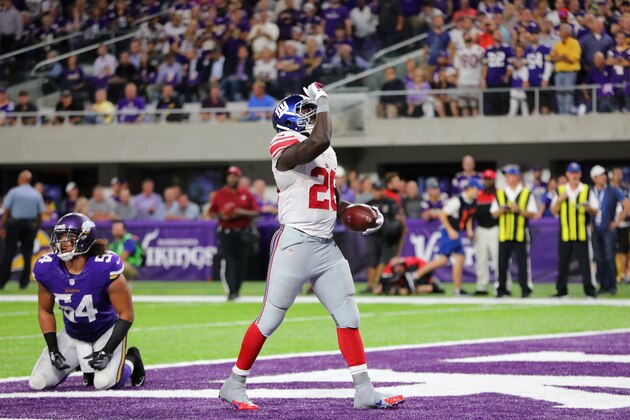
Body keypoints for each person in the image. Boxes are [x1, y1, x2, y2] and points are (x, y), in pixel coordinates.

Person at [218, 83, 403, 411]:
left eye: (311, 111)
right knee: (270, 319)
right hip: (295, 242)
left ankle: (363, 389)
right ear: (287, 119)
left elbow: (328, 196)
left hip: (325, 244)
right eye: (304, 111)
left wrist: (352, 211)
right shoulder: (285, 142)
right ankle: (234, 383)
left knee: (348, 315)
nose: (311, 115)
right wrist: (323, 100)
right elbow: (320, 139)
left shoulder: (325, 152)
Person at [29, 213, 145, 390]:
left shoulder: (104, 265)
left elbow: (127, 314)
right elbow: (45, 310)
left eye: (69, 238)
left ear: (84, 239)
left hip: (105, 331)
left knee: (104, 383)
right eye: (60, 237)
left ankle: (132, 360)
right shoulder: (47, 268)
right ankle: (80, 363)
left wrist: (107, 350)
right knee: (38, 382)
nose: (62, 243)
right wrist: (53, 348)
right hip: (72, 333)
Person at [412, 179, 481, 296]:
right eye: (477, 189)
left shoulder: (472, 201)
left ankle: (458, 289)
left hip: (457, 231)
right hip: (449, 231)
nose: (478, 192)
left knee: (459, 258)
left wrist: (469, 229)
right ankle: (415, 275)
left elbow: (469, 216)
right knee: (443, 260)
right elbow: (443, 215)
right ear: (470, 188)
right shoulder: (457, 200)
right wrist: (450, 230)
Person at [209, 166, 259, 301]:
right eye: (230, 175)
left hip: (242, 232)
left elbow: (255, 212)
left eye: (235, 175)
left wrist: (240, 212)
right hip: (227, 232)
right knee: (230, 261)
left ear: (239, 177)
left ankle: (236, 290)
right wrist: (222, 215)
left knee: (241, 262)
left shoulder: (246, 194)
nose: (232, 178)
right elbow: (212, 212)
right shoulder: (220, 194)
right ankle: (231, 292)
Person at [551, 162, 599, 297]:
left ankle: (589, 290)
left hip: (581, 232)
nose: (574, 175)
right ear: (567, 174)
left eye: (576, 173)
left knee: (585, 264)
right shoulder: (561, 190)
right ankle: (561, 291)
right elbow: (554, 211)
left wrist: (588, 207)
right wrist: (560, 200)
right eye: (572, 173)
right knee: (563, 263)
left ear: (580, 174)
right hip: (565, 232)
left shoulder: (586, 189)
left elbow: (596, 211)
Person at [491, 166, 538, 298]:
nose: (508, 178)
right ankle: (502, 288)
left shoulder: (526, 193)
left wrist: (519, 210)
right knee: (502, 263)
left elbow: (533, 214)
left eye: (510, 175)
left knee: (523, 263)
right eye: (506, 176)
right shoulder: (500, 194)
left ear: (517, 177)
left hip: (520, 233)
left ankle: (525, 288)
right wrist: (502, 210)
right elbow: (494, 214)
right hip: (504, 233)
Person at [0, 170, 44, 290]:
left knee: (9, 252)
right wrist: (37, 227)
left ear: (21, 179)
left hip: (15, 224)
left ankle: (2, 281)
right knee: (27, 254)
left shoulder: (14, 192)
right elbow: (40, 213)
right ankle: (24, 282)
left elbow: (7, 210)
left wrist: (3, 226)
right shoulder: (36, 194)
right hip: (30, 226)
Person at [589, 165, 630, 295]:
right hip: (595, 229)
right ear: (594, 178)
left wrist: (618, 221)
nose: (604, 177)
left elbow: (627, 204)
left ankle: (612, 285)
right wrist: (588, 222)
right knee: (598, 258)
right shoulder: (590, 191)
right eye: (601, 175)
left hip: (608, 229)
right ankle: (603, 285)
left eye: (604, 175)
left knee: (609, 257)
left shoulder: (612, 190)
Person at [364, 181, 404, 294]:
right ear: (373, 190)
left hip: (387, 236)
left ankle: (379, 284)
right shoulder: (369, 204)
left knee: (384, 260)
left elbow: (398, 218)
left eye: (380, 189)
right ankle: (370, 285)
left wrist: (398, 230)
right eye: (376, 189)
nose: (379, 192)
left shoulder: (390, 203)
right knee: (372, 261)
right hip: (373, 235)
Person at [474, 169, 503, 296]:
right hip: (481, 229)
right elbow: (472, 214)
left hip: (495, 228)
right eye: (486, 179)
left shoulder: (499, 194)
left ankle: (503, 285)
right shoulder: (479, 194)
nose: (487, 182)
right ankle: (481, 286)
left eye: (490, 179)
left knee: (498, 259)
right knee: (481, 259)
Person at [549, 24, 581, 114]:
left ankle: (567, 113)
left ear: (567, 32)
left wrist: (561, 57)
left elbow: (573, 58)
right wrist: (563, 57)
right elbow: (551, 58)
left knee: (568, 92)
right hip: (559, 72)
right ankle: (562, 113)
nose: (559, 32)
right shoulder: (558, 45)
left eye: (562, 30)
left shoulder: (575, 43)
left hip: (570, 72)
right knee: (559, 93)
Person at [377, 256, 445, 295]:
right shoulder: (389, 269)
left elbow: (424, 267)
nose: (398, 269)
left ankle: (431, 286)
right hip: (407, 281)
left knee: (414, 286)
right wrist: (382, 287)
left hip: (418, 276)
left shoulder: (411, 265)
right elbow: (380, 285)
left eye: (399, 266)